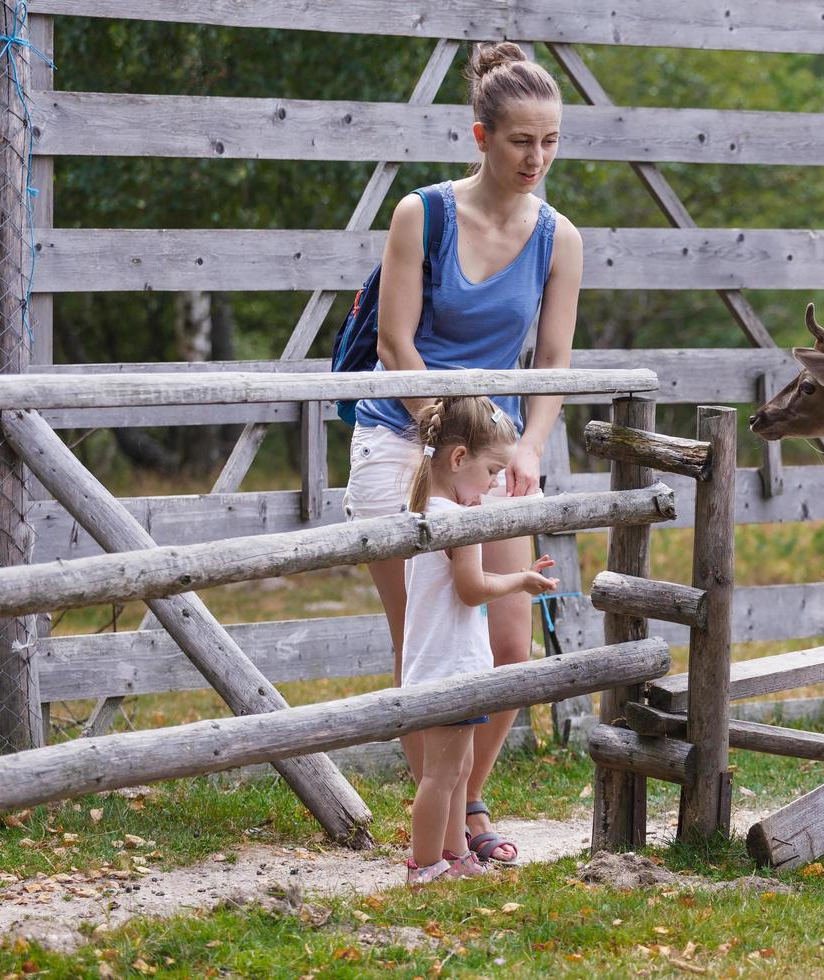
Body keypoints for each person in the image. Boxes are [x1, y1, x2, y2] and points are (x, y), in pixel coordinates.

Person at [342, 40, 581, 865]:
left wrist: (531, 447)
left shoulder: (559, 237)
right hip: (403, 441)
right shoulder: (424, 213)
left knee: (509, 645)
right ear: (481, 136)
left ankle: (465, 805)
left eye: (550, 141)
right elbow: (394, 341)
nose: (537, 157)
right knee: (429, 651)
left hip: (491, 453)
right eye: (522, 140)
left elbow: (552, 360)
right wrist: (445, 430)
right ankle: (442, 839)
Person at [400, 397, 559, 886]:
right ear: (458, 458)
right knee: (442, 775)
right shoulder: (459, 520)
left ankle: (454, 852)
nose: (494, 483)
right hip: (448, 665)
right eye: (491, 470)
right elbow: (472, 591)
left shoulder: (432, 507)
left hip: (442, 660)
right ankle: (424, 864)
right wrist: (520, 581)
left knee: (457, 768)